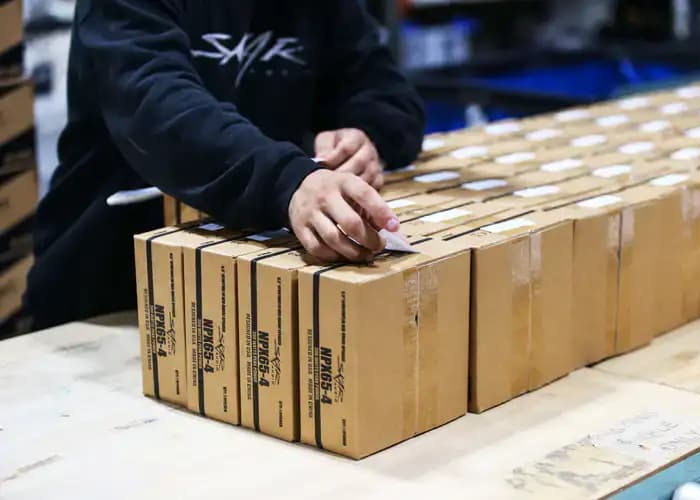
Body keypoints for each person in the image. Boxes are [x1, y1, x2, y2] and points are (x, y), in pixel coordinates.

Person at [25, 0, 425, 330]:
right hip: (109, 298)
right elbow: (157, 110)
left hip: (255, 300)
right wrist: (288, 181)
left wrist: (366, 136)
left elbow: (386, 91)